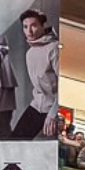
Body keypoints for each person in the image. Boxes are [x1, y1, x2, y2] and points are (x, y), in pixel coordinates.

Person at [12, 9, 61, 139]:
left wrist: (53, 114)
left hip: (53, 107)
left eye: (33, 25)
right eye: (25, 27)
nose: (29, 31)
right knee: (15, 141)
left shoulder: (54, 48)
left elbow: (65, 85)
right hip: (37, 105)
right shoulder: (30, 53)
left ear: (42, 26)